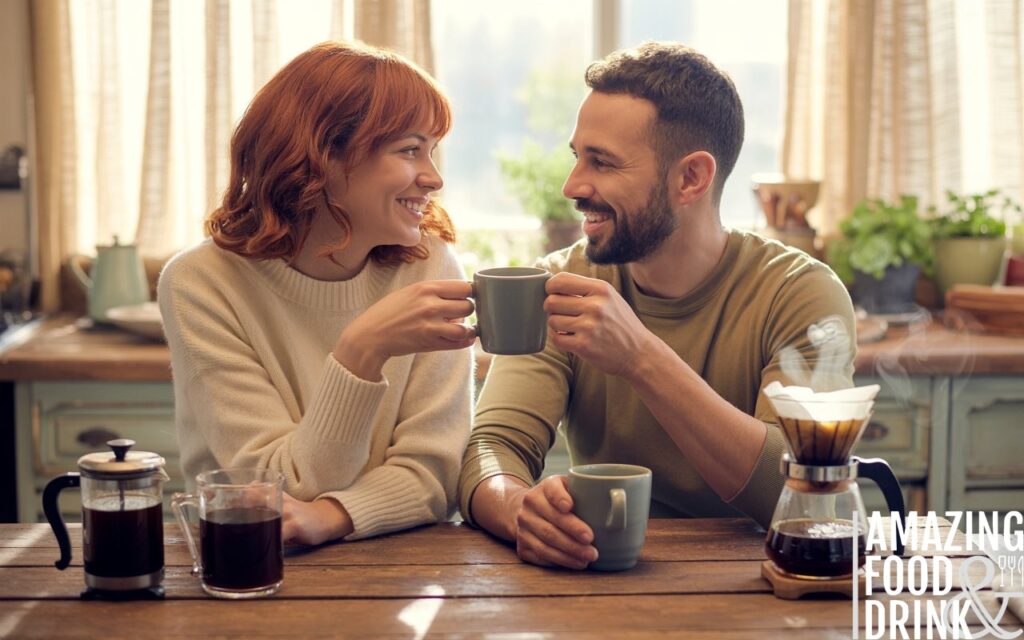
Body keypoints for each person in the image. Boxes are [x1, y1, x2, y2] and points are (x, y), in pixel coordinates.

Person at [458, 42, 856, 570]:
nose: (572, 186)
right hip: (603, 579)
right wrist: (517, 509)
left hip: (765, 584)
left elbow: (798, 495)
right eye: (577, 156)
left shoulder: (799, 293)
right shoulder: (562, 284)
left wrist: (641, 358)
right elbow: (491, 448)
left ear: (691, 178)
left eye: (601, 162)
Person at [158, 41, 476, 546]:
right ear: (324, 155)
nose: (433, 177)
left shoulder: (430, 266)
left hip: (402, 570)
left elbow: (436, 471)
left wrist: (331, 517)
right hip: (247, 566)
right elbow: (272, 489)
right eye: (411, 149)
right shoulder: (202, 283)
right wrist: (361, 350)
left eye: (432, 150)